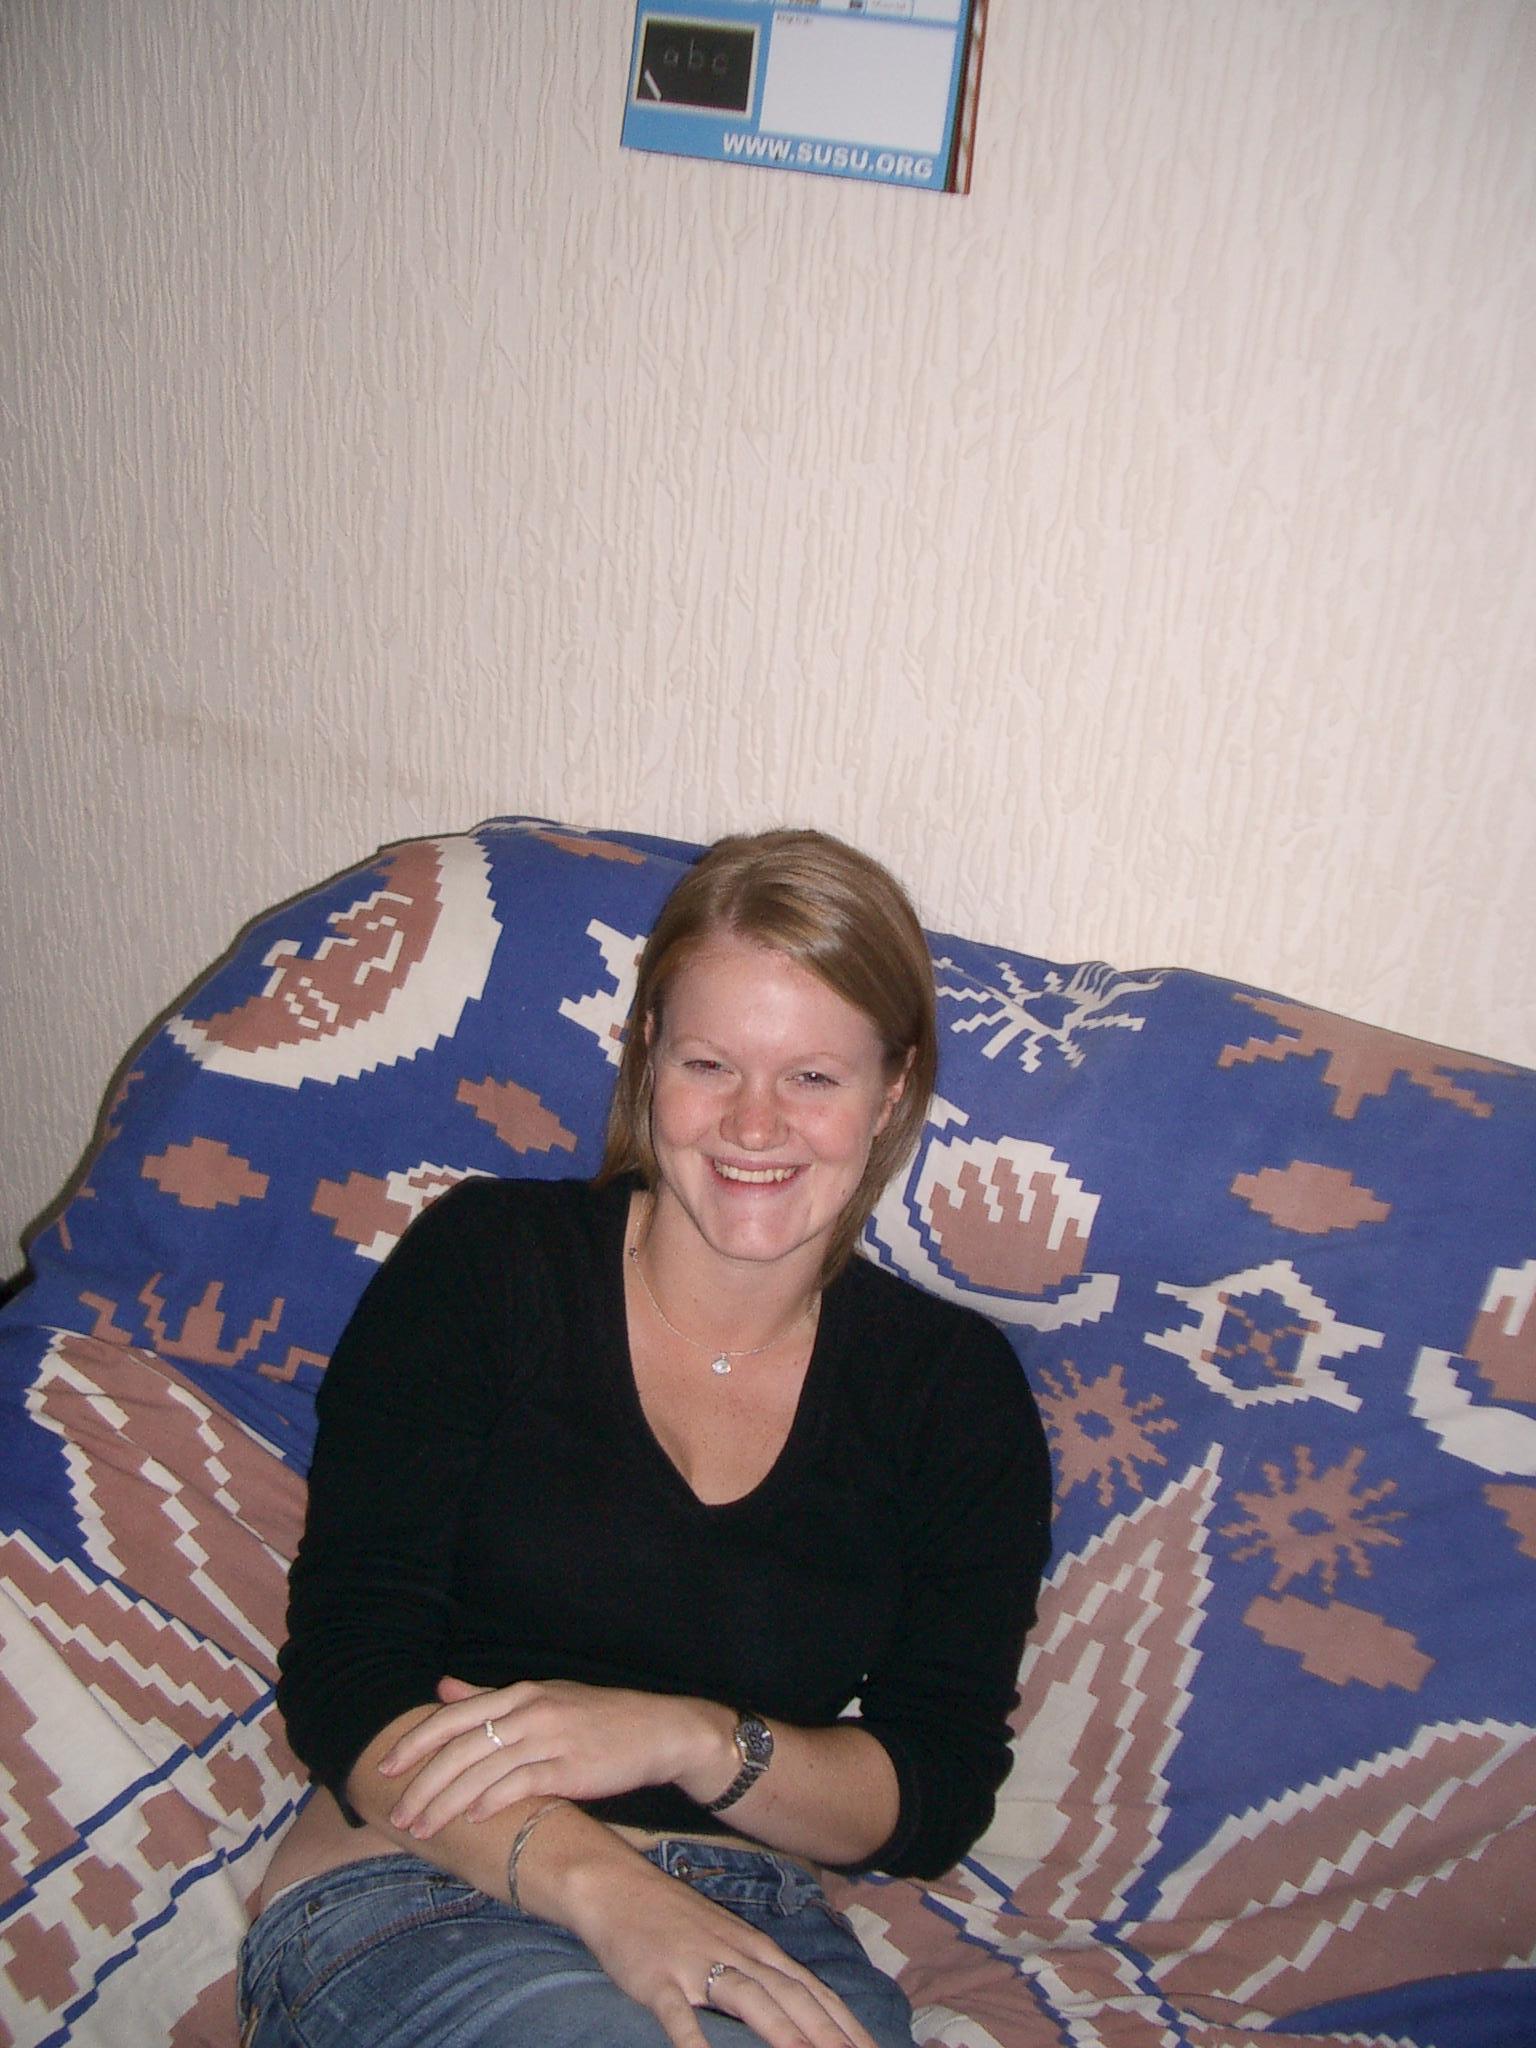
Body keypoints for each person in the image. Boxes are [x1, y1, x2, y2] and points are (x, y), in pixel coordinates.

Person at [238, 827, 1052, 2048]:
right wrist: (611, 1892)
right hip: (427, 1873)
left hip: (761, 1917)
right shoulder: (489, 1266)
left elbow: (932, 1792)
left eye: (813, 1076)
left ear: (892, 1092)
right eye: (710, 1063)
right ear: (648, 1057)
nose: (754, 1124)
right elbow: (350, 1676)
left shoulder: (950, 1390)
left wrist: (691, 1734)